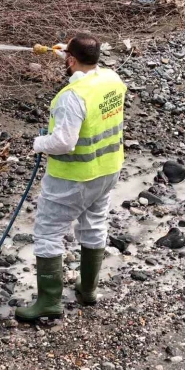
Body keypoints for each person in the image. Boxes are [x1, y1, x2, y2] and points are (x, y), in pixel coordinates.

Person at [15, 33, 127, 322]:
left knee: (48, 233)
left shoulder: (71, 98)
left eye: (68, 57)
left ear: (72, 60)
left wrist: (38, 143)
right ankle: (88, 290)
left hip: (74, 177)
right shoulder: (111, 79)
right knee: (93, 225)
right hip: (107, 169)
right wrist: (65, 53)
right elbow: (87, 68)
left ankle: (49, 302)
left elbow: (64, 142)